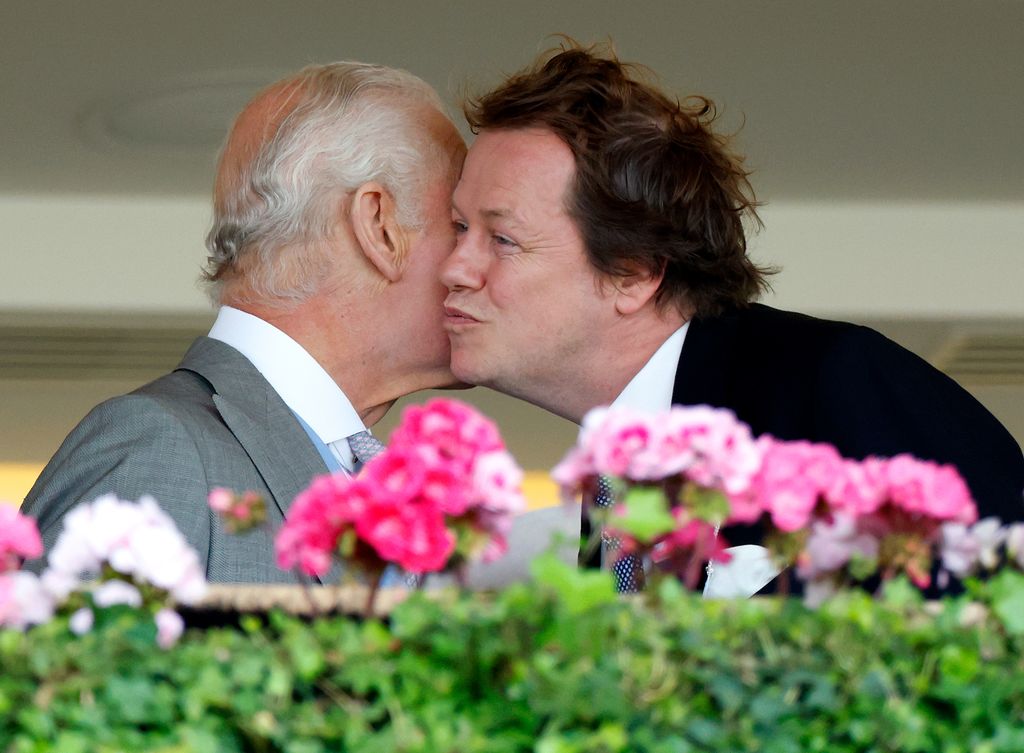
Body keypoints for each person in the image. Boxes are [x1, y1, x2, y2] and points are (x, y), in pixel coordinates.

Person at [440, 43, 1024, 592]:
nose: (455, 267)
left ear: (634, 274)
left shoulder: (834, 384)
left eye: (504, 238)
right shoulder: (614, 490)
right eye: (461, 228)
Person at [22, 62, 467, 583]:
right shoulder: (160, 448)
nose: (479, 262)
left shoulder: (365, 477)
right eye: (460, 225)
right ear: (380, 229)